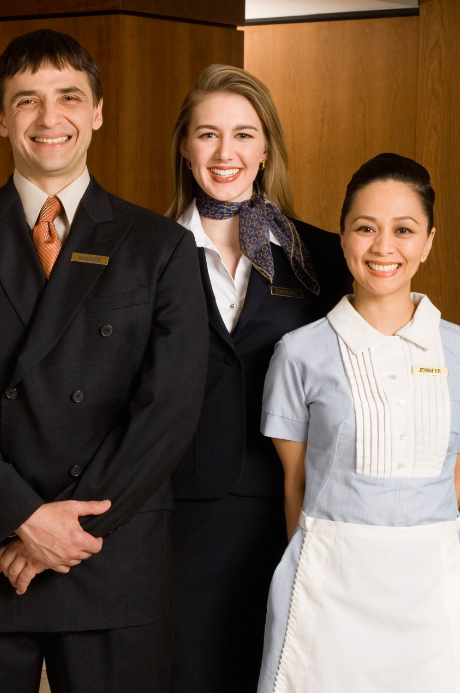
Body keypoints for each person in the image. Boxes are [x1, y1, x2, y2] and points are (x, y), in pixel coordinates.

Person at [0, 29, 209, 693]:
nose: (49, 118)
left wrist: (68, 532)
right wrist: (22, 520)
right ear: (0, 118)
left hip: (110, 556)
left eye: (68, 97)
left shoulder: (160, 247)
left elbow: (169, 408)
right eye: (27, 100)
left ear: (97, 111)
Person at [259, 153, 460, 693]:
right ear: (342, 238)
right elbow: (295, 487)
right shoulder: (299, 353)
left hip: (431, 589)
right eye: (365, 228)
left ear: (429, 241)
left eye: (403, 230)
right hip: (329, 585)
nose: (383, 247)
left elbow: (453, 488)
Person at [166, 65, 351, 693]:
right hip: (180, 521)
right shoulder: (144, 252)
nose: (226, 153)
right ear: (186, 147)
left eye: (244, 135)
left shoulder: (321, 257)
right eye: (208, 134)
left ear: (266, 147)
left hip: (293, 512)